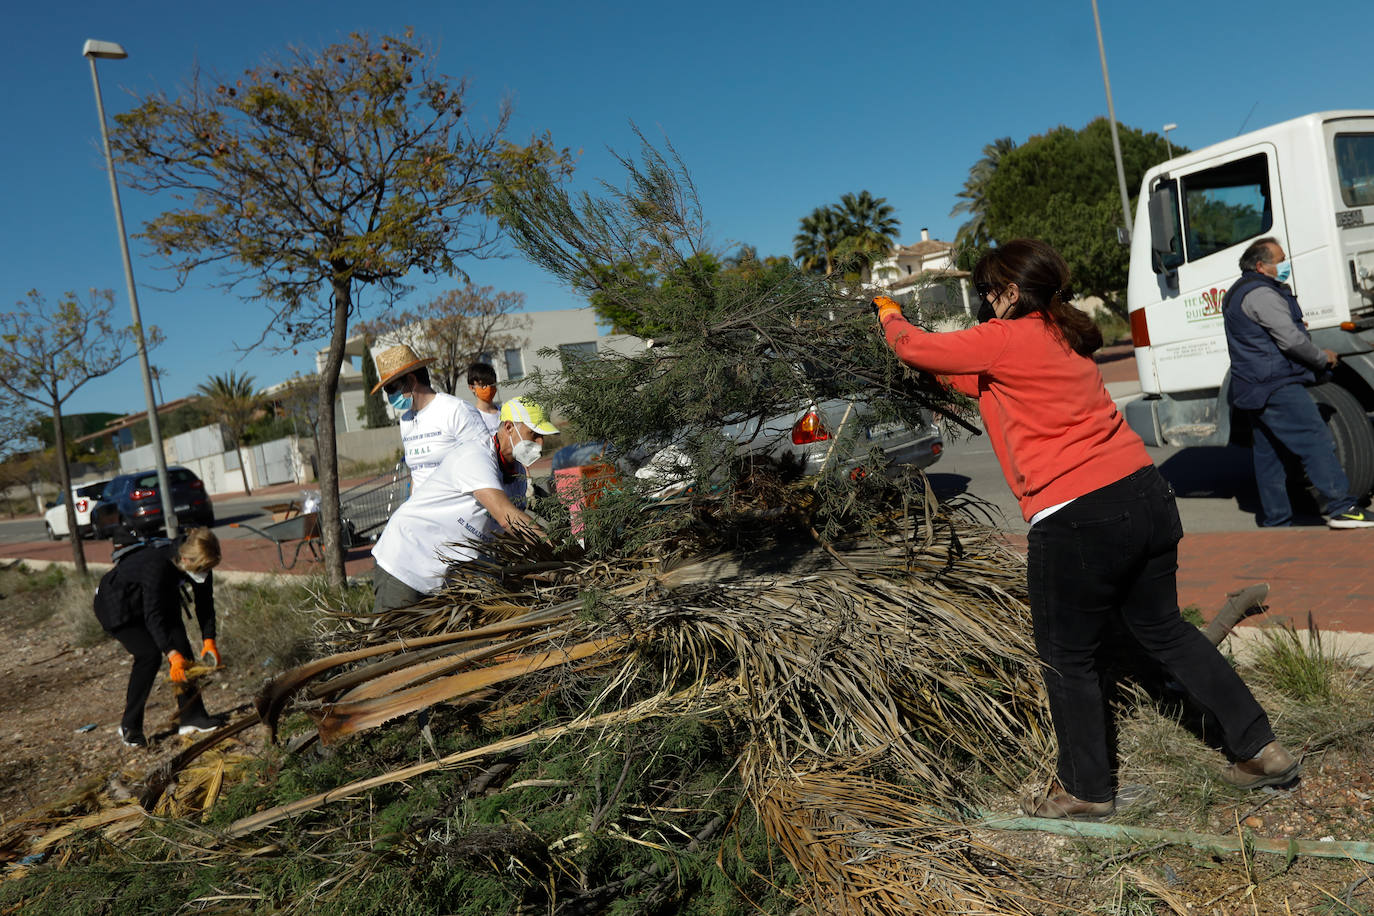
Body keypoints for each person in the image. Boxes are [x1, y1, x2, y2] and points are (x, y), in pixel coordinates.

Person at [875, 238, 1298, 819]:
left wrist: (888, 313)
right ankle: (1261, 749)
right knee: (1166, 631)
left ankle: (1085, 792)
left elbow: (916, 349)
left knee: (1067, 657)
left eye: (988, 290)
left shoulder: (1005, 337)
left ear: (1011, 292)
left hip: (1077, 514)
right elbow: (970, 379)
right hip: (1146, 495)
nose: (984, 300)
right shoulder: (1059, 337)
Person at [1222, 237, 1374, 529]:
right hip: (1276, 384)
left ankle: (1277, 522)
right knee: (1316, 440)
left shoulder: (1242, 292)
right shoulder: (1261, 295)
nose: (1284, 264)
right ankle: (1343, 508)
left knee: (1270, 458)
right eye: (1279, 260)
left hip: (1254, 386)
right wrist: (1321, 357)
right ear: (1260, 265)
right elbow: (1290, 340)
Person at [370, 396, 557, 613]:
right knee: (393, 641)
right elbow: (508, 518)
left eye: (543, 437)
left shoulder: (517, 477)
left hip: (445, 569)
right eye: (534, 435)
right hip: (406, 559)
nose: (540, 444)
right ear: (509, 427)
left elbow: (510, 536)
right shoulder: (476, 456)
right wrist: (558, 551)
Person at [93, 528, 227, 748]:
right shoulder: (157, 566)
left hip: (151, 599)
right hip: (117, 606)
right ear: (185, 559)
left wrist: (209, 640)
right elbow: (153, 617)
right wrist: (170, 653)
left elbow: (205, 604)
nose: (204, 573)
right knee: (149, 654)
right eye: (201, 568)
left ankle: (192, 717)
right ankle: (130, 726)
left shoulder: (200, 559)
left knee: (181, 646)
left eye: (207, 568)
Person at [372, 344, 487, 490]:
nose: (389, 395)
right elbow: (417, 472)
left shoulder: (456, 410)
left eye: (391, 388)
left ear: (412, 380)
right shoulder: (405, 421)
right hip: (422, 511)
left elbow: (484, 465)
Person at [466, 361, 502, 434]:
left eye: (491, 384)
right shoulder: (472, 418)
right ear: (472, 388)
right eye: (483, 385)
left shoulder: (504, 412)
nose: (488, 388)